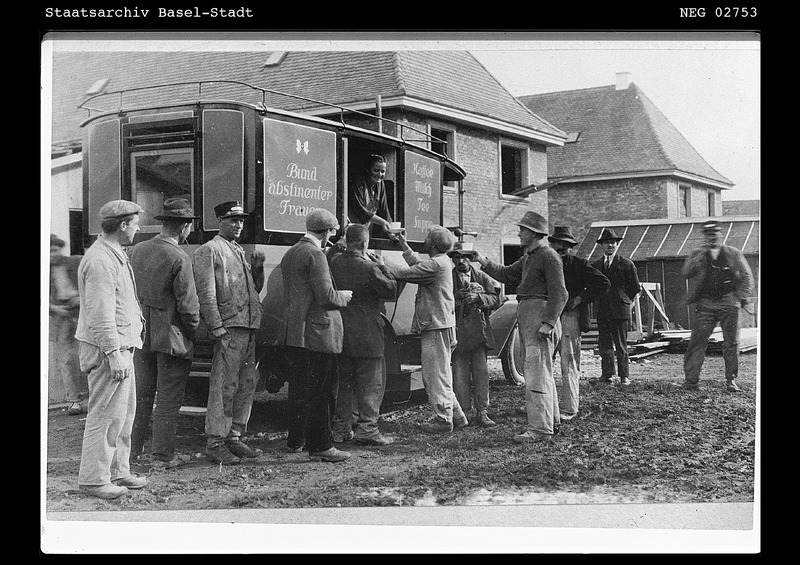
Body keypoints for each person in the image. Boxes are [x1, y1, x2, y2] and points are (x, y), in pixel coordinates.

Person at [75, 200, 148, 499]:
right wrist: (113, 352)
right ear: (122, 225)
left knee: (123, 414)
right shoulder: (101, 260)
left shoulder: (113, 255)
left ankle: (118, 471)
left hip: (121, 346)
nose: (138, 228)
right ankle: (94, 479)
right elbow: (100, 313)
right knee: (105, 415)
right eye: (135, 223)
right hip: (110, 350)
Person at [474, 211, 568, 443]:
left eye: (522, 230)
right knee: (540, 372)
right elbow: (506, 274)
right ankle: (551, 421)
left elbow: (560, 293)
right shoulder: (529, 257)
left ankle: (539, 428)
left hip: (539, 318)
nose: (519, 233)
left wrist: (548, 323)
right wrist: (482, 261)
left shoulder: (548, 256)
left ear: (535, 234)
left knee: (535, 373)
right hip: (530, 316)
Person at [128, 198, 201, 470]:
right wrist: (193, 332)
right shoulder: (179, 256)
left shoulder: (136, 250)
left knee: (141, 397)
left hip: (140, 336)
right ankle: (162, 457)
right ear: (183, 227)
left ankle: (131, 452)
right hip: (171, 338)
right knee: (169, 399)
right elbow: (189, 306)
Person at [278, 208, 354, 462]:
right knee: (323, 391)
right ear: (329, 232)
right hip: (318, 334)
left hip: (295, 332)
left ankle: (295, 441)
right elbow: (326, 297)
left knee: (300, 390)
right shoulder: (315, 254)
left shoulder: (292, 252)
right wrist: (343, 296)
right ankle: (322, 446)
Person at [192, 201, 265, 465]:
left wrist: (257, 270)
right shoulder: (209, 250)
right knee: (224, 385)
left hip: (247, 327)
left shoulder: (238, 250)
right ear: (219, 222)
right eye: (232, 220)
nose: (238, 225)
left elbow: (252, 291)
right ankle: (216, 441)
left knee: (247, 383)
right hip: (229, 328)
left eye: (241, 220)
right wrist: (217, 328)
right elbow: (206, 294)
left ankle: (234, 436)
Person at [384, 225, 469, 434]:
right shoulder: (441, 262)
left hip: (435, 326)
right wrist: (403, 243)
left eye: (427, 238)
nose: (424, 240)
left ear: (432, 244)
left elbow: (404, 272)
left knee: (434, 375)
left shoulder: (436, 265)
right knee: (442, 373)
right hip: (442, 324)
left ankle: (443, 419)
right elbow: (417, 265)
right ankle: (457, 415)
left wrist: (380, 262)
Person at [329, 224, 398, 446]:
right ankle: (368, 429)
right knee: (370, 383)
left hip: (342, 332)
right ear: (364, 243)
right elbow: (391, 290)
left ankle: (341, 429)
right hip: (368, 333)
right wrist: (383, 266)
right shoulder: (369, 268)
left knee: (344, 384)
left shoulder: (334, 262)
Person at [682, 220, 754, 392]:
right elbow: (686, 273)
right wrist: (697, 260)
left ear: (721, 235)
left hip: (728, 302)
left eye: (715, 234)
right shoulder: (697, 254)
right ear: (704, 237)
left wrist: (738, 298)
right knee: (697, 341)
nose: (712, 238)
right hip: (705, 303)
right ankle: (691, 381)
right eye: (708, 234)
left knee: (731, 343)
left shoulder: (733, 253)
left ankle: (731, 381)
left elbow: (747, 277)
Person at [548, 226, 610, 421]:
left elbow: (603, 283)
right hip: (548, 317)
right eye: (558, 245)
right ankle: (547, 406)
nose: (561, 249)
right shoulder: (546, 264)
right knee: (545, 362)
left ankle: (570, 408)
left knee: (569, 362)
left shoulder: (579, 265)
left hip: (569, 317)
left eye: (565, 245)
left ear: (571, 247)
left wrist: (580, 299)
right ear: (552, 244)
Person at [448, 242, 502, 427]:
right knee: (459, 372)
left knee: (481, 372)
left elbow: (498, 298)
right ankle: (464, 412)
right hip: (457, 332)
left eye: (465, 257)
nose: (461, 261)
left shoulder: (482, 277)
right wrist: (456, 297)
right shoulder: (448, 278)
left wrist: (479, 298)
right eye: (457, 257)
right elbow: (441, 298)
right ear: (453, 259)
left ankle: (482, 411)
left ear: (470, 259)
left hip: (479, 333)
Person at [591, 228, 641, 386]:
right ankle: (607, 375)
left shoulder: (626, 264)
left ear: (617, 244)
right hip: (602, 310)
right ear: (602, 246)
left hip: (619, 310)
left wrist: (624, 301)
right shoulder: (596, 265)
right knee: (605, 344)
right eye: (607, 243)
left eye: (613, 243)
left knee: (620, 344)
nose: (610, 245)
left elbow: (635, 288)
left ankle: (624, 376)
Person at [49, 234, 89, 416]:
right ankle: (74, 401)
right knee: (65, 359)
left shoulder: (75, 262)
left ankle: (91, 398)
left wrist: (81, 298)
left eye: (55, 250)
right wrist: (56, 309)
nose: (51, 254)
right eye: (48, 251)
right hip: (61, 315)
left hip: (81, 311)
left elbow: (90, 282)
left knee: (87, 354)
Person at [348, 154, 396, 240]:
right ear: (368, 170)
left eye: (383, 171)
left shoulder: (380, 184)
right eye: (376, 170)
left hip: (365, 231)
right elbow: (360, 210)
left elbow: (384, 211)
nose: (380, 174)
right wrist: (382, 222)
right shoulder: (359, 182)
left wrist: (391, 231)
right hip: (351, 229)